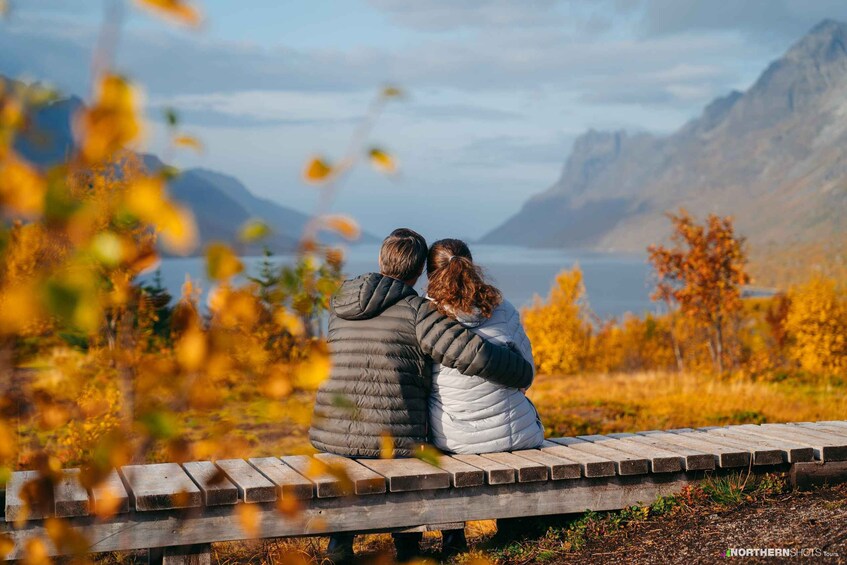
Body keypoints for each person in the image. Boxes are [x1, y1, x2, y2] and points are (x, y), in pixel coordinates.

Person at [309, 228, 534, 564]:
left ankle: (339, 547)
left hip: (331, 433)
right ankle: (410, 548)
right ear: (418, 274)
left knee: (361, 458)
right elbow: (473, 354)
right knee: (416, 447)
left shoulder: (339, 304)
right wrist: (521, 372)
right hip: (393, 438)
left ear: (381, 259)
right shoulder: (417, 311)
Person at [425, 238, 544, 556]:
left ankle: (453, 538)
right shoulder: (503, 309)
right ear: (472, 266)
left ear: (429, 274)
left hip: (453, 438)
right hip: (517, 434)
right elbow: (526, 372)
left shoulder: (425, 317)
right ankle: (513, 527)